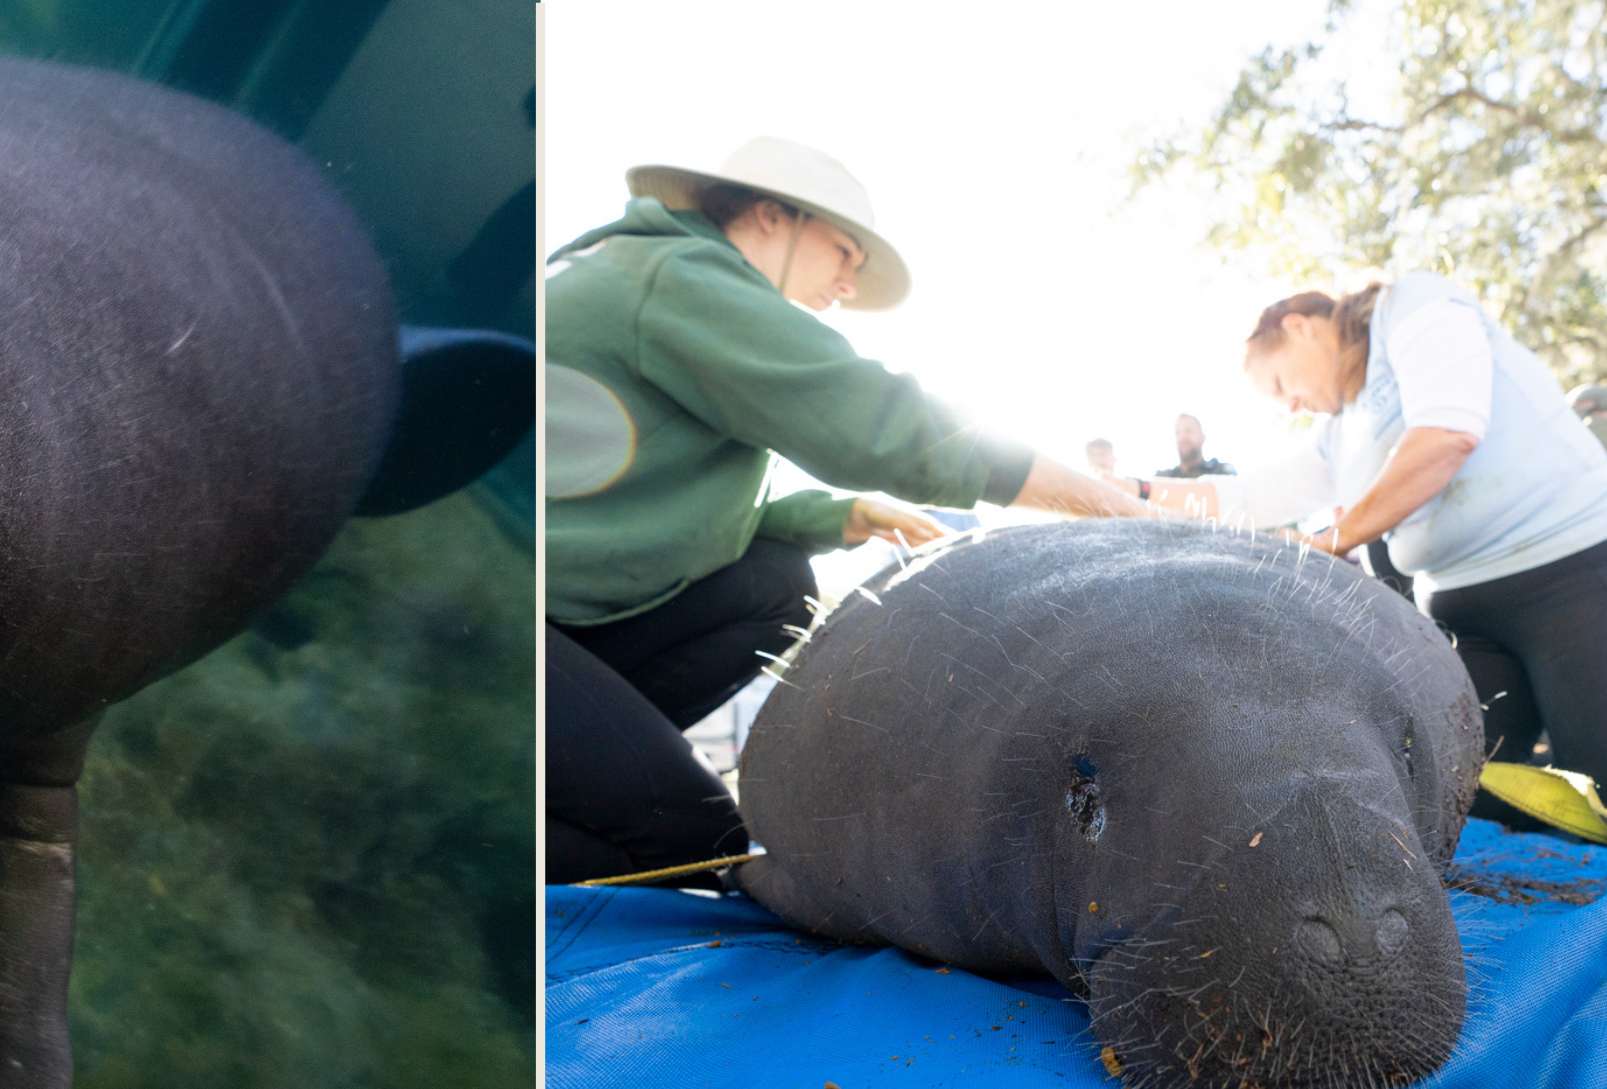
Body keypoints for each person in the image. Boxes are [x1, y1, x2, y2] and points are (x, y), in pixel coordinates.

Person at [544, 136, 1152, 886]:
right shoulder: (683, 276)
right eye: (843, 251)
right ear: (771, 215)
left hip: (556, 596)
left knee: (775, 580)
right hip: (499, 610)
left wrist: (842, 515)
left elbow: (651, 499)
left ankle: (585, 771)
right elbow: (885, 424)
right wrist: (1121, 511)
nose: (847, 280)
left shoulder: (642, 269)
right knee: (700, 841)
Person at [1133, 274, 1607, 801]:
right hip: (1466, 618)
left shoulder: (1409, 307)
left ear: (1298, 327)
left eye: (1278, 385)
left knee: (1599, 786)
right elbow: (1244, 497)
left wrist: (1334, 539)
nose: (1289, 405)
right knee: (1469, 796)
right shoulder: (1336, 435)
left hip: (1570, 578)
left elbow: (1448, 433)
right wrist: (1139, 490)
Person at [1155, 413, 1235, 478]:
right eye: (1178, 433)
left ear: (1202, 437)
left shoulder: (1220, 472)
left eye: (1188, 430)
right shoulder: (1162, 478)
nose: (1183, 437)